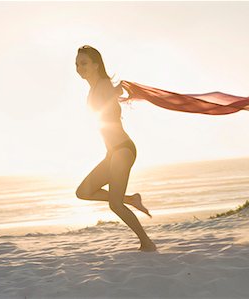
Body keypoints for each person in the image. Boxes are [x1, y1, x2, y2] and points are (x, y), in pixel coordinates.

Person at [74, 45, 156, 252]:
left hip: (122, 150)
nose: (78, 68)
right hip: (112, 152)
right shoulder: (94, 88)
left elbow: (109, 99)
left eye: (83, 63)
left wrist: (115, 91)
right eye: (76, 64)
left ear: (95, 64)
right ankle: (131, 199)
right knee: (83, 192)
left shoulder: (102, 85)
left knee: (115, 205)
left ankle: (147, 243)